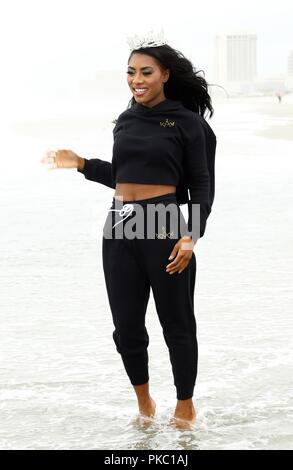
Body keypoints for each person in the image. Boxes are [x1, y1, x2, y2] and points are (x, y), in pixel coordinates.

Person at [41, 30, 217, 430]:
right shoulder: (126, 119)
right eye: (131, 72)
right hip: (119, 223)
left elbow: (202, 185)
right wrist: (83, 164)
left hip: (166, 221)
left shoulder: (187, 123)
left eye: (146, 72)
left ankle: (185, 405)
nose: (137, 79)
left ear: (165, 75)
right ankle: (145, 404)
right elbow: (125, 175)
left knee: (176, 322)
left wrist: (191, 235)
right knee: (126, 325)